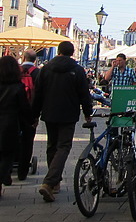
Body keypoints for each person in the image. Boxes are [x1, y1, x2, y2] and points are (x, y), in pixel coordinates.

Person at [32, 41, 93, 202]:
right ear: (72, 53)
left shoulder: (45, 69)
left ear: (58, 51)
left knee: (52, 146)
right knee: (64, 146)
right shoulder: (77, 70)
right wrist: (88, 113)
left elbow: (37, 94)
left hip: (49, 113)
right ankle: (50, 181)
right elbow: (84, 94)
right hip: (68, 114)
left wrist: (34, 116)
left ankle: (54, 184)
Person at [0, 55, 33, 197]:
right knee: (8, 154)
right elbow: (24, 108)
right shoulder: (18, 87)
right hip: (9, 125)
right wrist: (31, 121)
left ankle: (4, 176)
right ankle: (3, 175)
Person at [17, 49, 39, 181]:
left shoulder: (15, 71)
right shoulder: (38, 73)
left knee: (12, 139)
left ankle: (8, 169)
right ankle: (22, 171)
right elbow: (40, 94)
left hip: (14, 112)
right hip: (31, 112)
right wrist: (36, 115)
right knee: (27, 141)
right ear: (35, 60)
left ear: (23, 58)